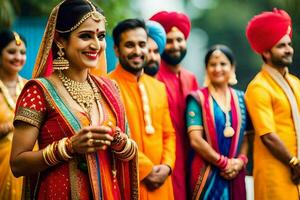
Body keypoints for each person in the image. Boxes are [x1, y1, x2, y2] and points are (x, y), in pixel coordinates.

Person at [10, 1, 138, 199]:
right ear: (60, 40)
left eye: (101, 36)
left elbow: (129, 152)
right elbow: (18, 164)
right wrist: (69, 147)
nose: (96, 45)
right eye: (86, 36)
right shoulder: (39, 91)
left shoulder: (109, 89)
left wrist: (118, 140)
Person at [109, 19, 176, 200]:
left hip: (162, 185)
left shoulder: (158, 87)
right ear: (116, 50)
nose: (137, 51)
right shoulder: (107, 87)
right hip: (129, 183)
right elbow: (113, 137)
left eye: (142, 44)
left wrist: (168, 166)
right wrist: (146, 170)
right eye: (129, 45)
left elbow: (169, 134)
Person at [245, 8, 300, 199]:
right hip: (275, 173)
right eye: (281, 46)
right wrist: (293, 163)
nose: (288, 49)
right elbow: (268, 135)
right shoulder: (258, 87)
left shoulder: (295, 82)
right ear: (266, 53)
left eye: (289, 44)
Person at [186, 45, 250, 200]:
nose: (218, 68)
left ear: (232, 67)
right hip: (206, 173)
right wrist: (223, 163)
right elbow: (195, 140)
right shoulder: (197, 99)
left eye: (223, 64)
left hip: (235, 172)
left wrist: (240, 162)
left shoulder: (241, 98)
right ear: (206, 68)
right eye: (212, 64)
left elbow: (247, 136)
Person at [150, 11, 199, 199]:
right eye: (169, 40)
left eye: (180, 39)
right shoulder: (151, 76)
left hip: (190, 156)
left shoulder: (190, 78)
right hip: (163, 159)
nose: (175, 45)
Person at [0, 30, 26, 200]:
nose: (18, 57)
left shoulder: (30, 87)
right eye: (11, 52)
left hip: (28, 164)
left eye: (22, 53)